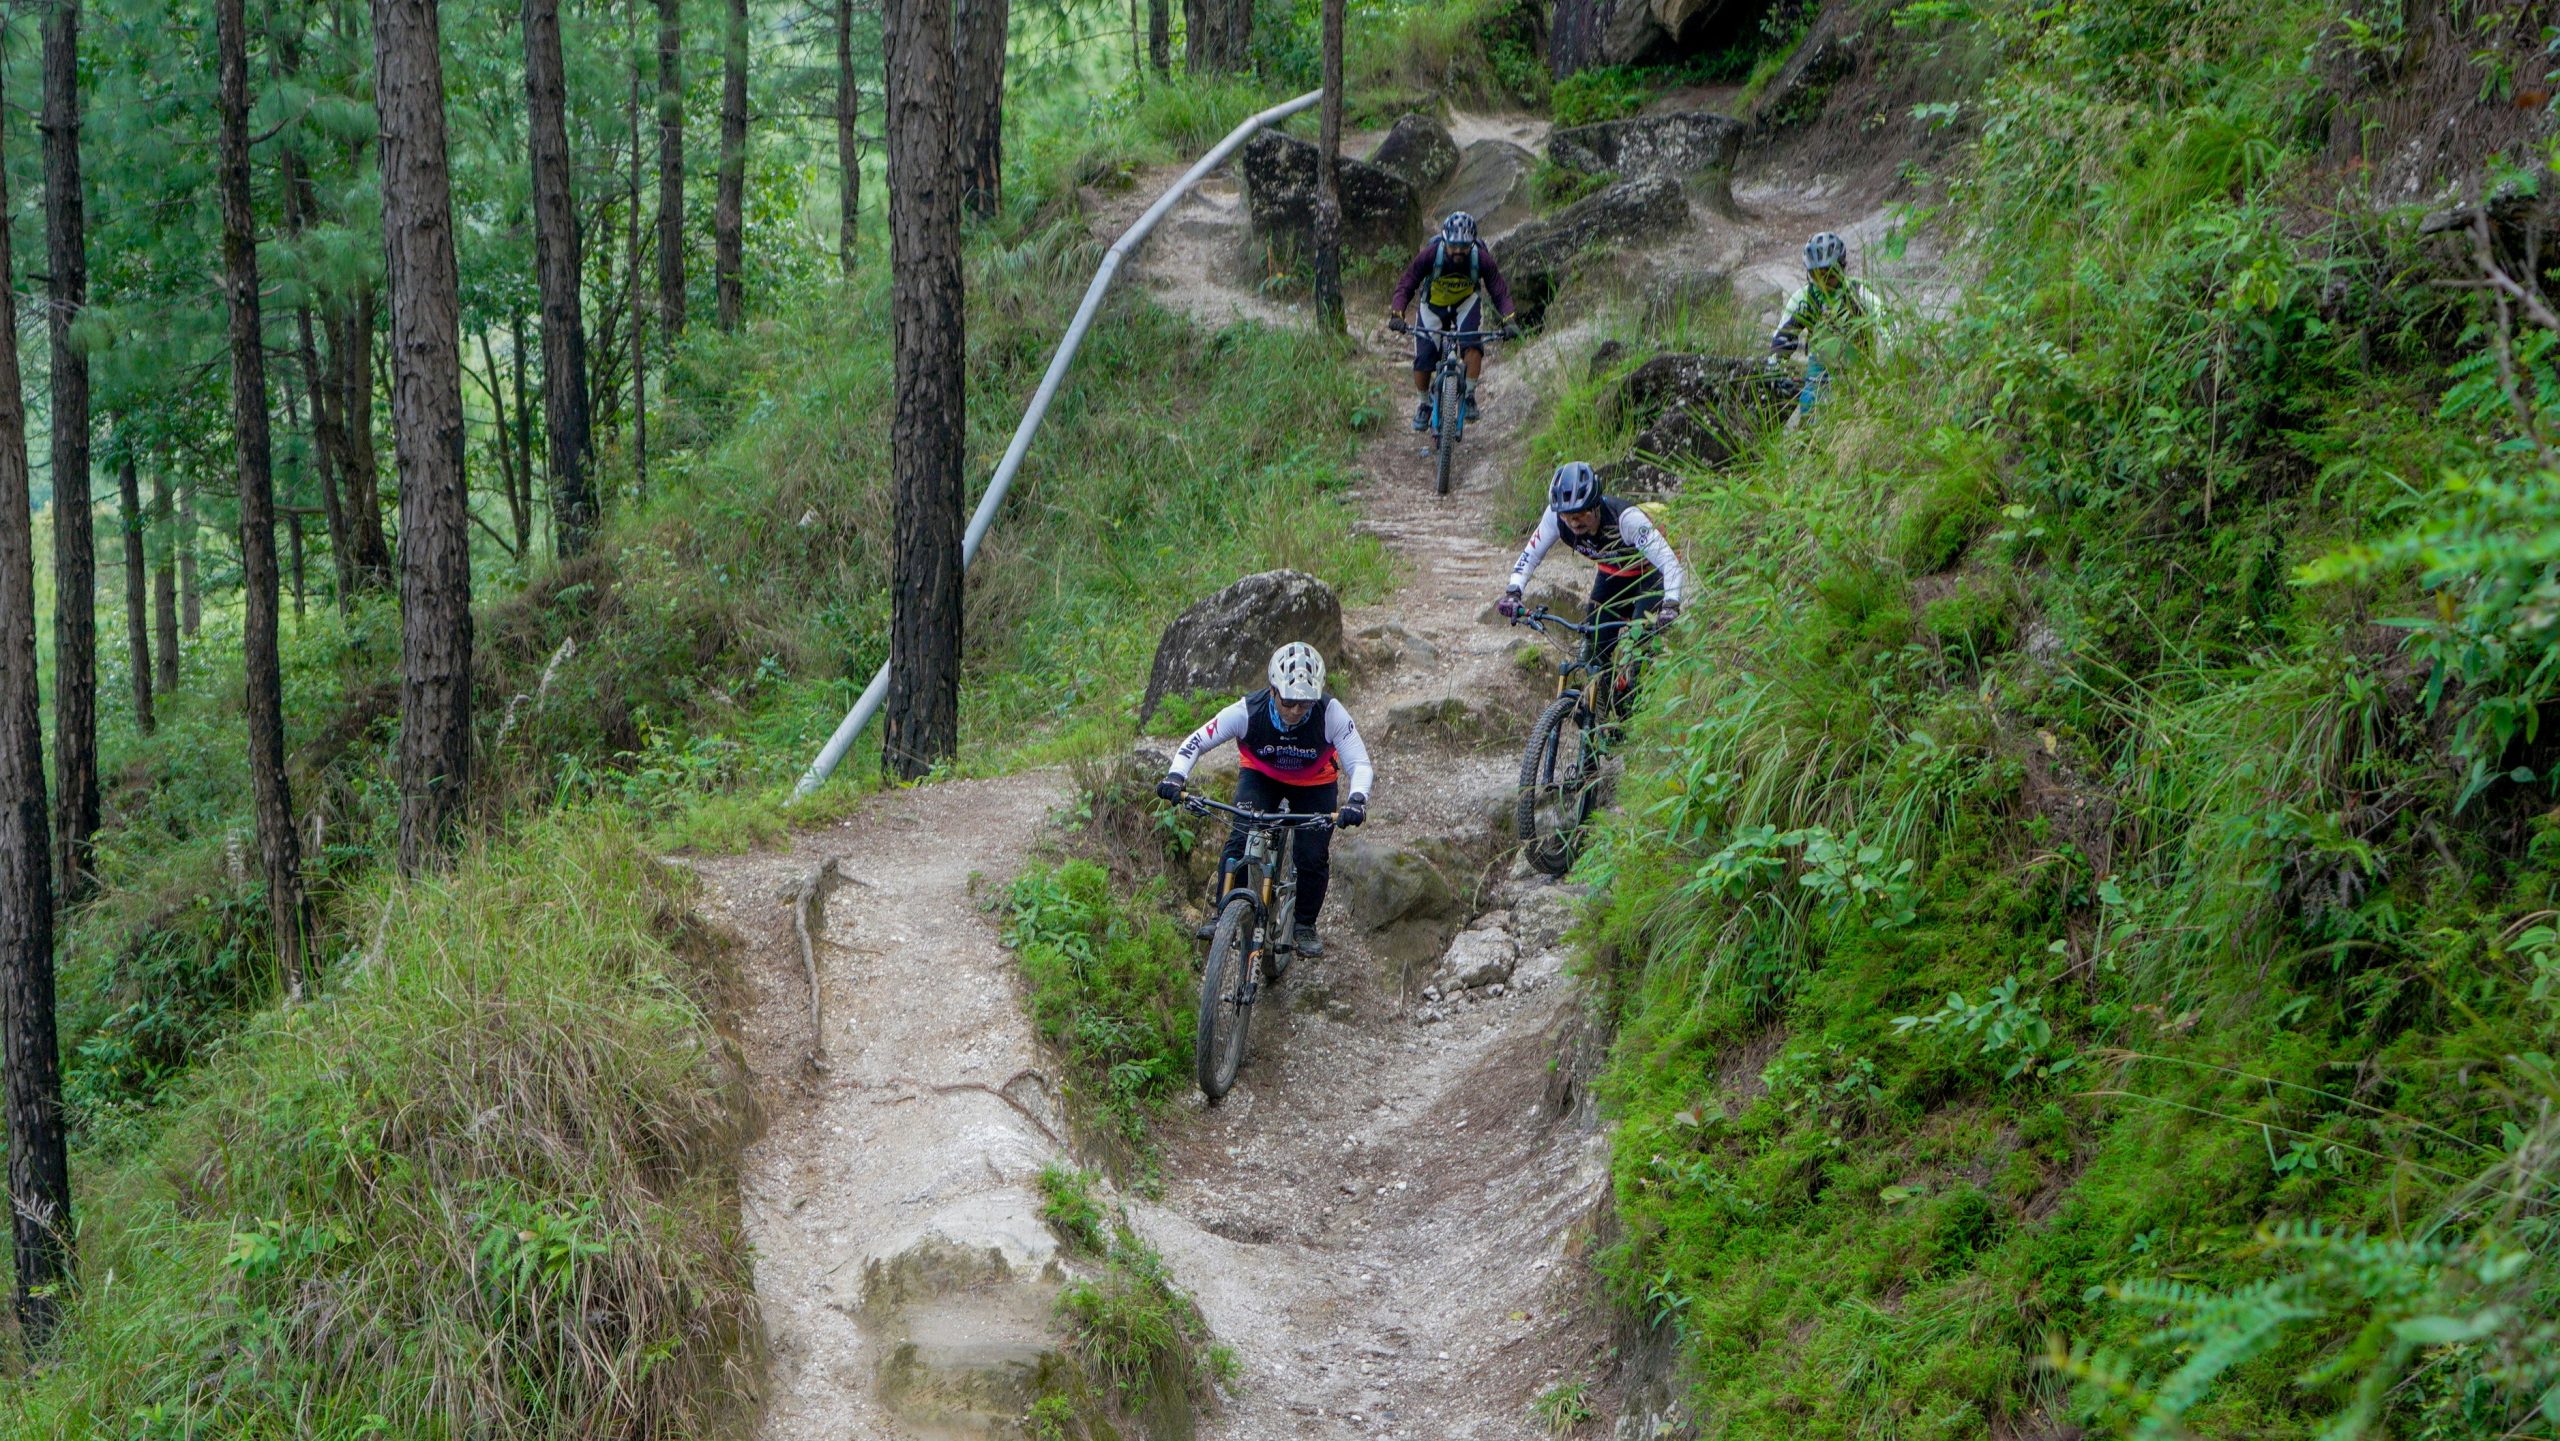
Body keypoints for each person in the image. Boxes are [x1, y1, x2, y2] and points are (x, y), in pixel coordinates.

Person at [1157, 642, 1372, 961]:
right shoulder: (1246, 711)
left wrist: (1357, 800)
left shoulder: (1331, 713)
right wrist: (1176, 776)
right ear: (1273, 690)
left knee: (1311, 855)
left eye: (1305, 703)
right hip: (1261, 775)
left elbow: (1359, 763)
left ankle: (1304, 925)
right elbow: (1197, 741)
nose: (1297, 710)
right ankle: (1224, 914)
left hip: (1314, 782)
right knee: (1239, 836)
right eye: (1289, 701)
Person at [1497, 462, 1688, 696]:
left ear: (1595, 506)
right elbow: (1530, 555)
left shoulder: (1626, 519)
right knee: (1593, 648)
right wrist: (1513, 591)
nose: (1573, 522)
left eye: (1580, 514)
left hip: (1650, 576)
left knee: (1640, 646)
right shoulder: (1554, 517)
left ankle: (1640, 702)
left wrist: (1671, 605)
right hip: (1611, 575)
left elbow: (1669, 563)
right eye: (1567, 516)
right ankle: (1604, 702)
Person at [1387, 212, 1519, 432]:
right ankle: (1424, 404)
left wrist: (1509, 319)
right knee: (1424, 358)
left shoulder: (1481, 258)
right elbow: (1407, 283)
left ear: (1472, 244)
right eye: (1453, 245)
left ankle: (1469, 396)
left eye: (1464, 246)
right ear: (1445, 240)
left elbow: (1499, 291)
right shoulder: (1431, 255)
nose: (1458, 250)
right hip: (1433, 306)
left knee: (1473, 345)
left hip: (1466, 304)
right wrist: (1397, 313)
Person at [1768, 231, 1887, 419]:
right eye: (1816, 275)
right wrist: (1775, 367)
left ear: (1841, 268)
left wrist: (1891, 359)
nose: (1823, 282)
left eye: (1830, 275)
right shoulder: (1804, 299)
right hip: (1820, 364)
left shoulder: (1858, 294)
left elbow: (1886, 323)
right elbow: (1783, 337)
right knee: (1810, 404)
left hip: (1859, 364)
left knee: (1860, 410)